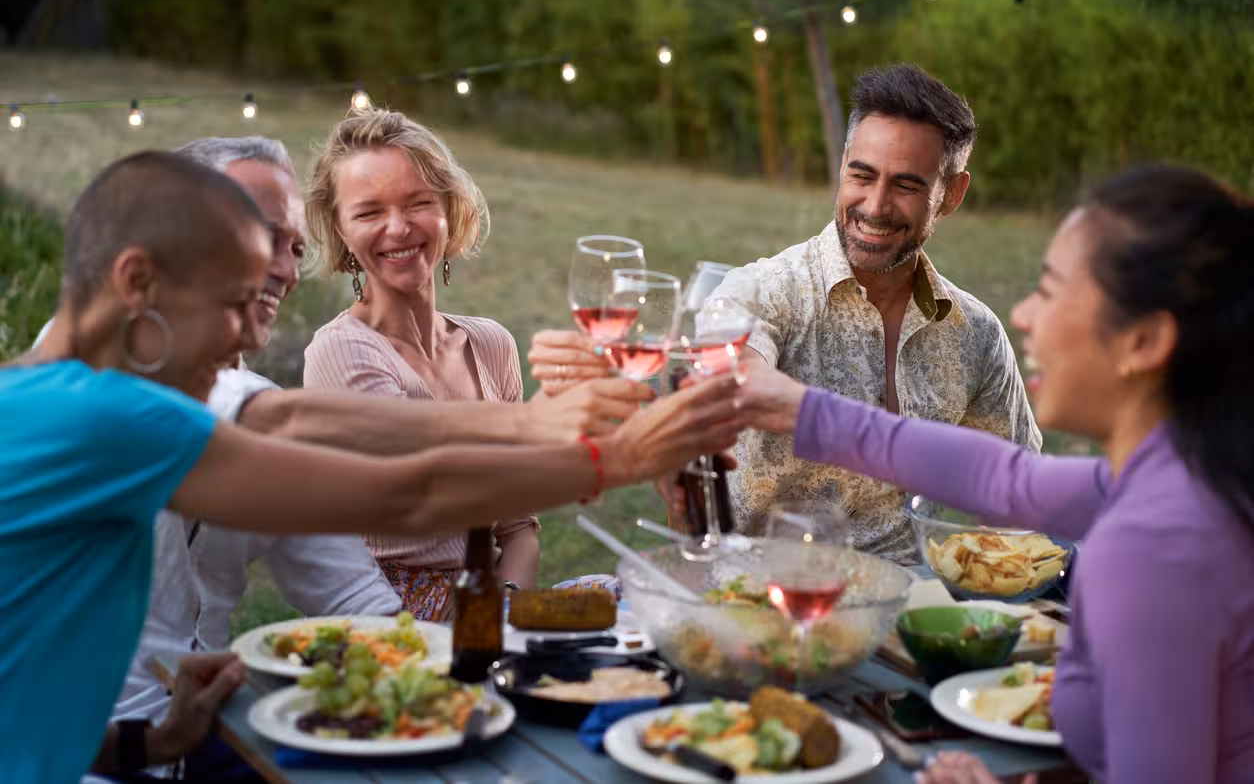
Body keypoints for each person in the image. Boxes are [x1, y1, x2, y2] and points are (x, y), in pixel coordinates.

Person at [1, 151, 742, 784]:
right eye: (232, 304)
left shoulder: (38, 398)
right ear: (137, 282)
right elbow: (409, 492)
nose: (243, 338)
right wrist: (621, 459)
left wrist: (149, 743)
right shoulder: (111, 420)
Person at [736, 165, 1254, 784]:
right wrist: (797, 408)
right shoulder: (1191, 474)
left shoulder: (1151, 548)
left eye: (1052, 288)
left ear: (1143, 340)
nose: (1024, 313)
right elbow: (1006, 481)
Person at [531, 62, 1040, 563]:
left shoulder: (975, 333)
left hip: (912, 612)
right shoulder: (761, 290)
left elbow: (1022, 491)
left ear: (951, 194)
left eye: (906, 186)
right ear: (842, 164)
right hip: (761, 604)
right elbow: (733, 382)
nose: (875, 206)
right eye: (861, 175)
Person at [302, 110, 643, 617]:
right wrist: (546, 423)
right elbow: (438, 482)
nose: (398, 228)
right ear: (341, 229)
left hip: (488, 601)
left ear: (449, 210)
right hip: (389, 614)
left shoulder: (490, 344)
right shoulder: (340, 353)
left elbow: (518, 527)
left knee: (633, 598)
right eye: (370, 212)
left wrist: (506, 610)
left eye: (418, 203)